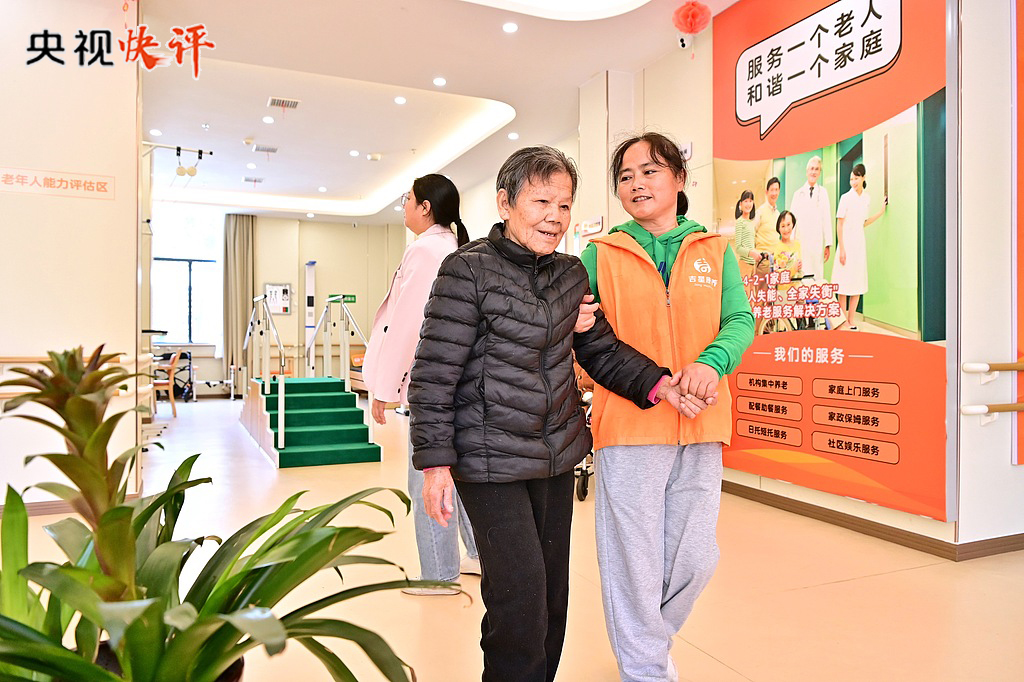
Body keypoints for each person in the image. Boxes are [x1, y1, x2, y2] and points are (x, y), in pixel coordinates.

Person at [408, 146, 703, 682]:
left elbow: (601, 350)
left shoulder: (570, 273)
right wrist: (434, 463)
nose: (555, 217)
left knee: (550, 602)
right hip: (488, 459)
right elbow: (435, 370)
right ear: (505, 203)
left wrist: (661, 385)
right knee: (519, 601)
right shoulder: (466, 270)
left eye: (564, 205)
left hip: (555, 456)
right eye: (541, 202)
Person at [578, 132, 754, 682]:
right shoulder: (600, 253)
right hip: (630, 424)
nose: (636, 183)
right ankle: (646, 668)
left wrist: (712, 363)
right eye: (625, 177)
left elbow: (740, 320)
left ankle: (647, 641)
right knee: (633, 558)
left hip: (702, 418)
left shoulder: (715, 249)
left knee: (695, 557)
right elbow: (585, 336)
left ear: (680, 178)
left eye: (650, 171)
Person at [361, 173, 479, 596]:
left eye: (408, 199)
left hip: (431, 386)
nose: (404, 207)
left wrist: (385, 388)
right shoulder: (452, 247)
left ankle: (439, 574)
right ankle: (477, 555)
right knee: (455, 476)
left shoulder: (426, 251)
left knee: (426, 476)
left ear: (426, 207)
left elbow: (408, 325)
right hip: (456, 384)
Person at [831, 163, 888, 329]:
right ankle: (842, 321)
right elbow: (840, 224)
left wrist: (881, 212)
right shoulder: (845, 198)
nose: (853, 182)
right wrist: (842, 249)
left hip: (859, 245)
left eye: (856, 178)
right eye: (851, 179)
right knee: (843, 285)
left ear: (863, 178)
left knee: (856, 283)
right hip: (846, 244)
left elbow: (863, 222)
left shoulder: (866, 198)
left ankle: (851, 320)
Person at [788, 156, 832, 282]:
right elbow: (792, 221)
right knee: (802, 274)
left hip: (817, 242)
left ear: (820, 172)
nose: (814, 172)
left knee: (817, 275)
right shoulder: (798, 194)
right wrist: (791, 243)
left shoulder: (823, 193)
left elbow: (826, 218)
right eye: (812, 169)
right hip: (801, 241)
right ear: (807, 171)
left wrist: (828, 244)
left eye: (817, 169)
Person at [733, 189, 761, 281]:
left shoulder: (751, 223)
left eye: (750, 201)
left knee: (752, 291)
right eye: (746, 201)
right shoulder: (740, 222)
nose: (748, 204)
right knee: (745, 290)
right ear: (740, 204)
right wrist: (751, 253)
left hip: (753, 266)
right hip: (744, 265)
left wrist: (756, 253)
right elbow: (738, 248)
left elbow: (750, 246)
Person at [754, 176, 782, 253]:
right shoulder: (760, 212)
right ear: (766, 192)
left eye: (776, 190)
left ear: (779, 191)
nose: (774, 193)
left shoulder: (778, 214)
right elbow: (752, 233)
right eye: (772, 190)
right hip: (762, 257)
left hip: (776, 257)